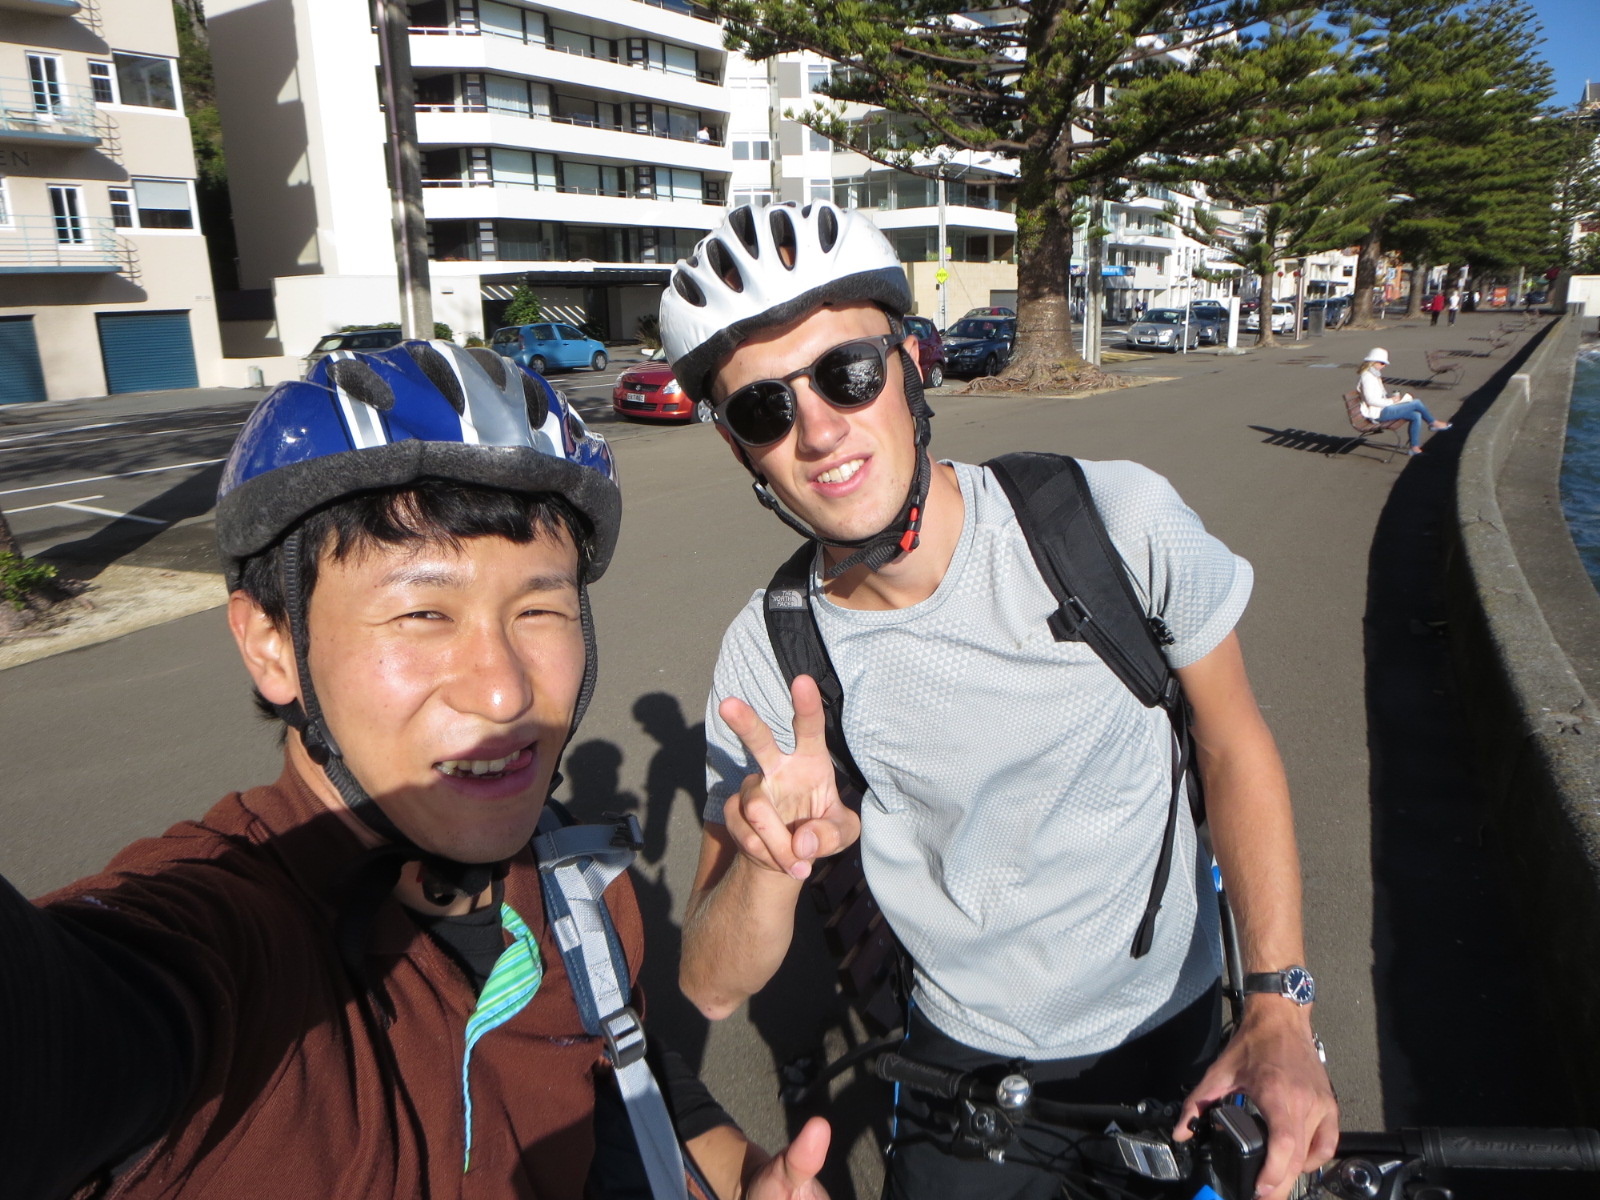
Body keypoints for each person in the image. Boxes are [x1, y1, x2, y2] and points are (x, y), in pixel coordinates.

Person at [0, 341, 830, 1200]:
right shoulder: (211, 951)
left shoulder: (583, 897)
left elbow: (628, 1078)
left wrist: (737, 1179)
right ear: (271, 644)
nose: (506, 691)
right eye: (423, 611)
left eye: (540, 607)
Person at [658, 201, 1338, 1200]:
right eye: (762, 408)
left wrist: (1279, 1005)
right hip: (959, 1071)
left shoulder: (1107, 523)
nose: (815, 428)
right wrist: (768, 866)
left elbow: (1234, 745)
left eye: (846, 372)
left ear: (909, 365)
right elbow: (711, 985)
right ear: (738, 449)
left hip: (1173, 1036)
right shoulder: (769, 660)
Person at [1357, 346, 1451, 455]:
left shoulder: (1373, 375)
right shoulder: (1368, 377)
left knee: (1416, 415)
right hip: (1377, 413)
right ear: (1373, 362)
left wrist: (1392, 399)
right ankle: (1433, 423)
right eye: (1382, 363)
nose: (1384, 366)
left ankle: (1414, 447)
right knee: (1416, 403)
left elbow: (1376, 397)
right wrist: (1391, 401)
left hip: (1382, 409)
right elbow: (1370, 400)